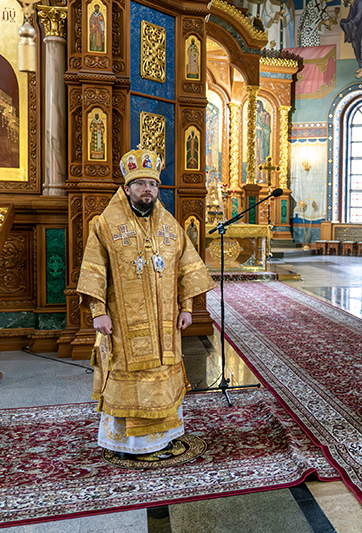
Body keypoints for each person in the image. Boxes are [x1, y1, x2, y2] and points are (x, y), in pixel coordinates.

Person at [77, 145, 214, 461]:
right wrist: (98, 312)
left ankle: (163, 438)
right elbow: (93, 269)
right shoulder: (106, 224)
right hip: (124, 322)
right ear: (127, 188)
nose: (147, 190)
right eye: (140, 184)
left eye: (152, 184)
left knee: (163, 374)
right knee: (130, 375)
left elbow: (187, 267)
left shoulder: (170, 224)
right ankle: (128, 444)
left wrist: (187, 307)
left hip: (166, 323)